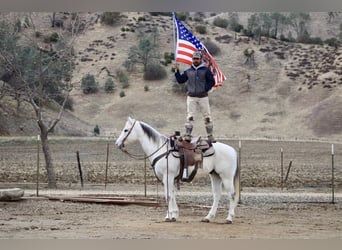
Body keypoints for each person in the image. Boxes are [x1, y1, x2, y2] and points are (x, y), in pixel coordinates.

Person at [174, 51, 216, 143]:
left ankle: (210, 135)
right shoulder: (188, 71)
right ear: (192, 60)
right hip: (191, 97)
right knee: (190, 116)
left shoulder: (206, 70)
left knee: (207, 116)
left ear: (201, 59)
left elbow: (212, 81)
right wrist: (176, 71)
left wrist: (205, 88)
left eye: (197, 59)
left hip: (203, 96)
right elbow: (181, 80)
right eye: (194, 59)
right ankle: (188, 135)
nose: (195, 60)